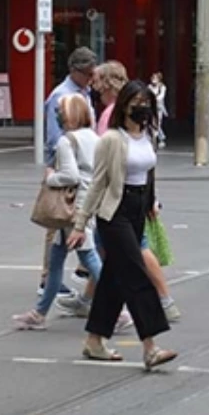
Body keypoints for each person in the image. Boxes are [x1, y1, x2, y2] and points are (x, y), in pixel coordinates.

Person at [68, 80, 177, 368]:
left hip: (139, 207)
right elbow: (98, 183)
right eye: (136, 102)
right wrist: (80, 223)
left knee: (114, 280)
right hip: (114, 212)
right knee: (136, 274)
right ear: (124, 105)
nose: (142, 107)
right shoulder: (112, 140)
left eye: (146, 102)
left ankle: (94, 340)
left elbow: (149, 173)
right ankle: (151, 346)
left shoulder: (147, 135)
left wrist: (152, 201)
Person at [13, 94, 105, 330]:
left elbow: (70, 176)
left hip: (71, 208)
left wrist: (51, 178)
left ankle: (117, 308)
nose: (58, 115)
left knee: (89, 258)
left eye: (61, 112)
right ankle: (39, 312)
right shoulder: (94, 138)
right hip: (88, 203)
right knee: (57, 259)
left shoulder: (67, 141)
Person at [149, 71, 169, 148]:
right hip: (151, 108)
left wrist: (154, 98)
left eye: (155, 78)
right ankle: (157, 138)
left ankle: (160, 139)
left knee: (158, 124)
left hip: (159, 108)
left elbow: (161, 97)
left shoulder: (162, 87)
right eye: (152, 78)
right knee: (152, 123)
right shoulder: (149, 87)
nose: (153, 80)